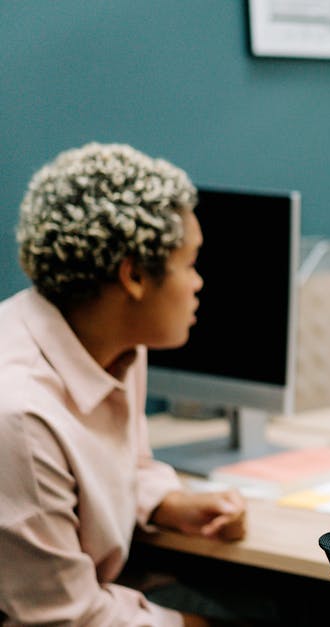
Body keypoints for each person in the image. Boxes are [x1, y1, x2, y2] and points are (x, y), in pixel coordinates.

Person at [0, 143, 246, 626]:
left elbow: (119, 462)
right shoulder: (21, 418)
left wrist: (164, 501)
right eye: (190, 262)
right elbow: (63, 620)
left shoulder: (112, 345)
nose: (199, 283)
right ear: (132, 275)